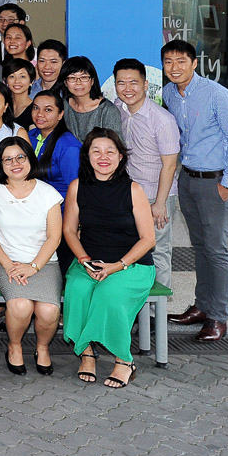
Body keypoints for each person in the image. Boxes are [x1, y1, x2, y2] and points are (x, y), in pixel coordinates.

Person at [62, 128, 157, 388]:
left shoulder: (134, 189)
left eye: (110, 152)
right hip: (89, 261)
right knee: (78, 290)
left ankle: (124, 361)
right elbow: (69, 230)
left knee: (109, 294)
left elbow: (148, 239)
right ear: (87, 156)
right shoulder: (77, 187)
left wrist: (117, 266)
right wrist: (83, 259)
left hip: (131, 265)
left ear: (121, 156)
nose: (103, 157)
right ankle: (87, 353)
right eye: (96, 151)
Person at [162, 40, 228, 342]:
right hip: (188, 179)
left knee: (216, 249)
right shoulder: (168, 93)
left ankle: (219, 316)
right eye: (168, 62)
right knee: (199, 246)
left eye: (181, 61)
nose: (174, 67)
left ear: (195, 63)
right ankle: (202, 306)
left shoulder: (218, 94)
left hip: (215, 181)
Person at [0, 137, 64, 377]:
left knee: (48, 311)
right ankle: (14, 346)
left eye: (20, 157)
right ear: (0, 164)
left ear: (29, 159)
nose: (15, 163)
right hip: (6, 262)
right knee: (20, 305)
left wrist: (34, 267)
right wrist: (9, 265)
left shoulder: (48, 194)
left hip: (44, 263)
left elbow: (54, 238)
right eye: (7, 159)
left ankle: (42, 347)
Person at [113, 58, 179, 289]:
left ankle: (154, 315)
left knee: (158, 251)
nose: (128, 89)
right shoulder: (117, 109)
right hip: (127, 193)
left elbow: (170, 165)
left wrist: (160, 203)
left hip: (155, 194)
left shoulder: (162, 120)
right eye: (121, 83)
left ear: (145, 84)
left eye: (134, 82)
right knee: (130, 250)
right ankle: (134, 308)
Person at [58, 56, 123, 143]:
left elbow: (116, 146)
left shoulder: (108, 110)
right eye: (72, 78)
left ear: (92, 81)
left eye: (84, 77)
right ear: (65, 82)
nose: (78, 82)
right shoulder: (63, 105)